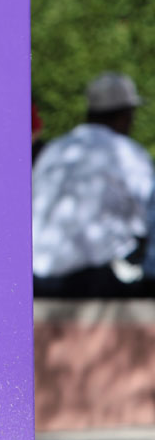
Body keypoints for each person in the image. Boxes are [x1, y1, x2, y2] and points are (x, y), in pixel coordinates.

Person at [32, 72, 154, 297]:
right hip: (91, 283)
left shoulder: (55, 150)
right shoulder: (127, 154)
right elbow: (148, 219)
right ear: (126, 115)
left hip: (35, 276)